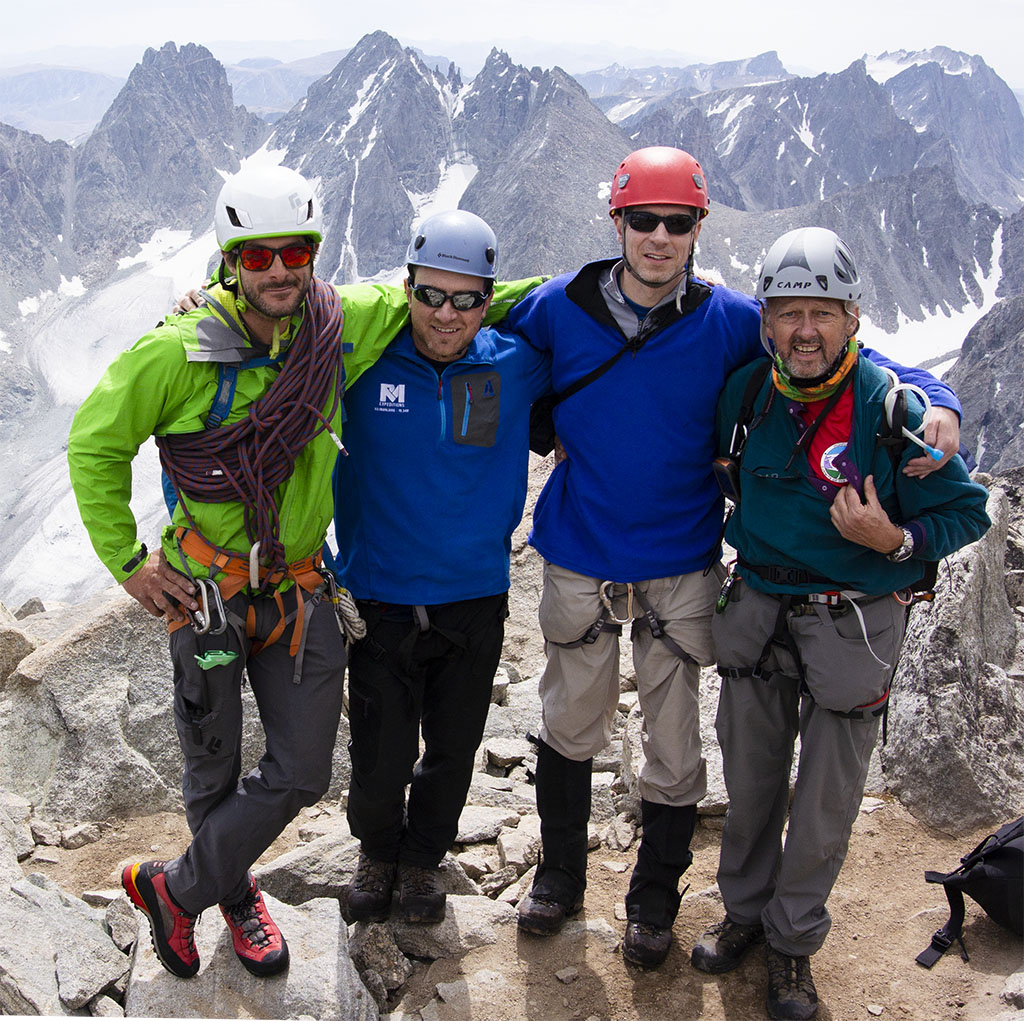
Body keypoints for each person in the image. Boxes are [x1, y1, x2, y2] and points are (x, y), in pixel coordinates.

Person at [505, 146, 965, 969]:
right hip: (579, 547)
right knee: (570, 724)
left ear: (696, 229)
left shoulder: (728, 323)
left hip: (681, 560)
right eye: (642, 220)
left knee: (674, 742)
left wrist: (942, 398)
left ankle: (653, 902)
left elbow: (827, 343)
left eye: (676, 222)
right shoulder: (555, 305)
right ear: (616, 222)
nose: (657, 236)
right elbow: (466, 320)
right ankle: (561, 878)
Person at [67, 164, 399, 980]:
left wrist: (600, 283)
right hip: (205, 591)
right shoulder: (177, 351)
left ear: (315, 254)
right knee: (212, 762)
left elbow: (444, 292)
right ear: (230, 261)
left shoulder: (340, 324)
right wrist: (130, 564)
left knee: (304, 768)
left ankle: (174, 888)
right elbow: (95, 442)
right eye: (259, 255)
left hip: (298, 588)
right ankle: (233, 889)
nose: (280, 268)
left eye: (296, 251)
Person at [690, 226, 990, 1019]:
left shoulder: (893, 411)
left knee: (824, 802)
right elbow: (725, 475)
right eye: (788, 312)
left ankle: (793, 946)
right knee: (751, 786)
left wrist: (893, 540)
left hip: (851, 624)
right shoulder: (749, 394)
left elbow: (968, 512)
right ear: (766, 322)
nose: (805, 330)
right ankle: (746, 916)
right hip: (757, 613)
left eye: (822, 311)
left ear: (854, 318)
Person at [333, 211, 551, 924]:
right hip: (379, 596)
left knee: (453, 751)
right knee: (379, 757)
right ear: (407, 289)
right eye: (430, 295)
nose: (445, 313)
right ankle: (377, 846)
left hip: (474, 597)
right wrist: (207, 289)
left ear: (488, 300)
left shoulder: (514, 361)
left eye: (465, 298)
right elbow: (271, 325)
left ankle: (422, 860)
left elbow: (604, 312)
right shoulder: (361, 358)